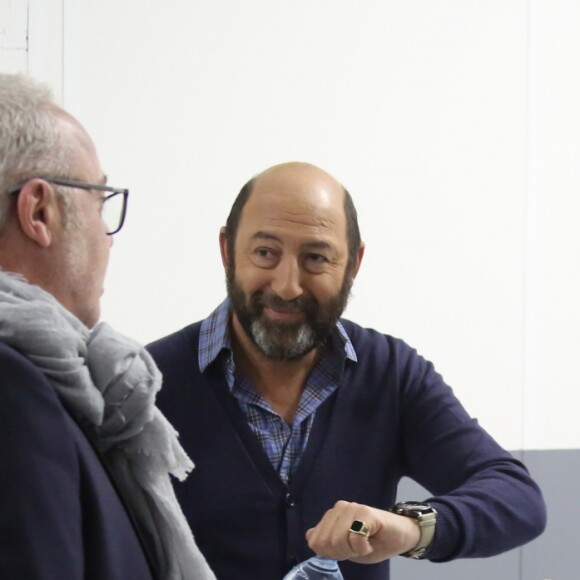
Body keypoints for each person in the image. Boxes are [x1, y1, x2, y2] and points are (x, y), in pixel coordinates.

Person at [148, 161, 546, 580]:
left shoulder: (390, 374)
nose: (287, 285)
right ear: (227, 250)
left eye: (316, 258)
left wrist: (410, 529)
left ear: (353, 264)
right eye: (265, 253)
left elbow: (517, 498)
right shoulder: (146, 385)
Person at [0, 74, 215, 580]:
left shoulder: (64, 383)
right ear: (39, 211)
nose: (108, 237)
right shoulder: (14, 390)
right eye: (100, 201)